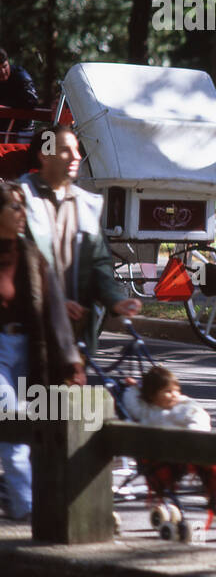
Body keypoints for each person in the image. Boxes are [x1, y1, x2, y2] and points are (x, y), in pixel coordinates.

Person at [0, 179, 84, 523]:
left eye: (23, 206)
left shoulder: (32, 255)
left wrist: (71, 364)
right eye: (14, 206)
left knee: (37, 425)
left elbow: (52, 312)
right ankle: (25, 508)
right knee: (10, 417)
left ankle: (29, 500)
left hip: (32, 350)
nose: (22, 213)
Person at [16, 125, 141, 356]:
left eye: (77, 149)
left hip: (74, 340)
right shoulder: (19, 201)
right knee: (32, 393)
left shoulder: (86, 204)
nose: (77, 156)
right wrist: (53, 303)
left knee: (73, 395)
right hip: (25, 339)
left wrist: (115, 300)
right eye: (66, 150)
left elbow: (99, 263)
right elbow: (15, 268)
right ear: (45, 155)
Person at [122, 364, 216, 518]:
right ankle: (166, 498)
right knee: (157, 469)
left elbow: (199, 418)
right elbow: (131, 404)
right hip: (161, 454)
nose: (174, 395)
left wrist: (192, 436)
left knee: (212, 464)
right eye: (168, 391)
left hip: (189, 447)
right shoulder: (147, 410)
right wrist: (135, 387)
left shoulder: (184, 405)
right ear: (152, 395)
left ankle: (215, 496)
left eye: (176, 390)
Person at [0, 49, 40, 142]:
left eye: (5, 67)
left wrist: (5, 105)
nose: (2, 72)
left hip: (23, 129)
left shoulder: (21, 76)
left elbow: (32, 101)